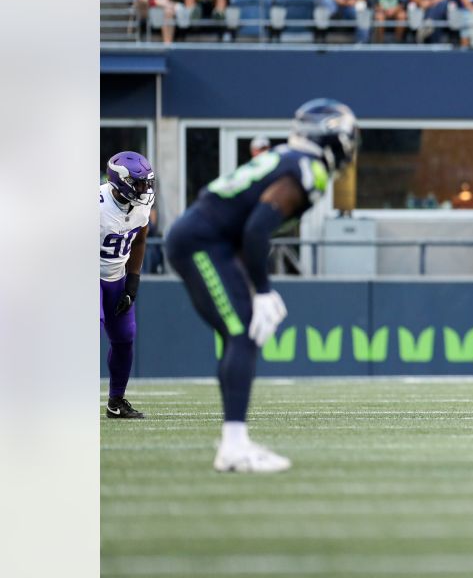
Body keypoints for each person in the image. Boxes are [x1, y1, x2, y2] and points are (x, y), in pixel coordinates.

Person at [165, 99, 358, 473]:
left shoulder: (289, 159)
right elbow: (255, 229)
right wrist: (264, 288)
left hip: (209, 241)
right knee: (241, 334)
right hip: (203, 243)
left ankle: (234, 442)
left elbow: (242, 226)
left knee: (241, 334)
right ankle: (234, 447)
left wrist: (253, 288)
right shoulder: (309, 170)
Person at [100, 151, 156, 420]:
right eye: (139, 183)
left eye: (147, 182)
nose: (145, 189)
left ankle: (116, 402)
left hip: (116, 277)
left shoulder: (142, 206)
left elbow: (141, 239)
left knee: (124, 338)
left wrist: (132, 283)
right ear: (120, 182)